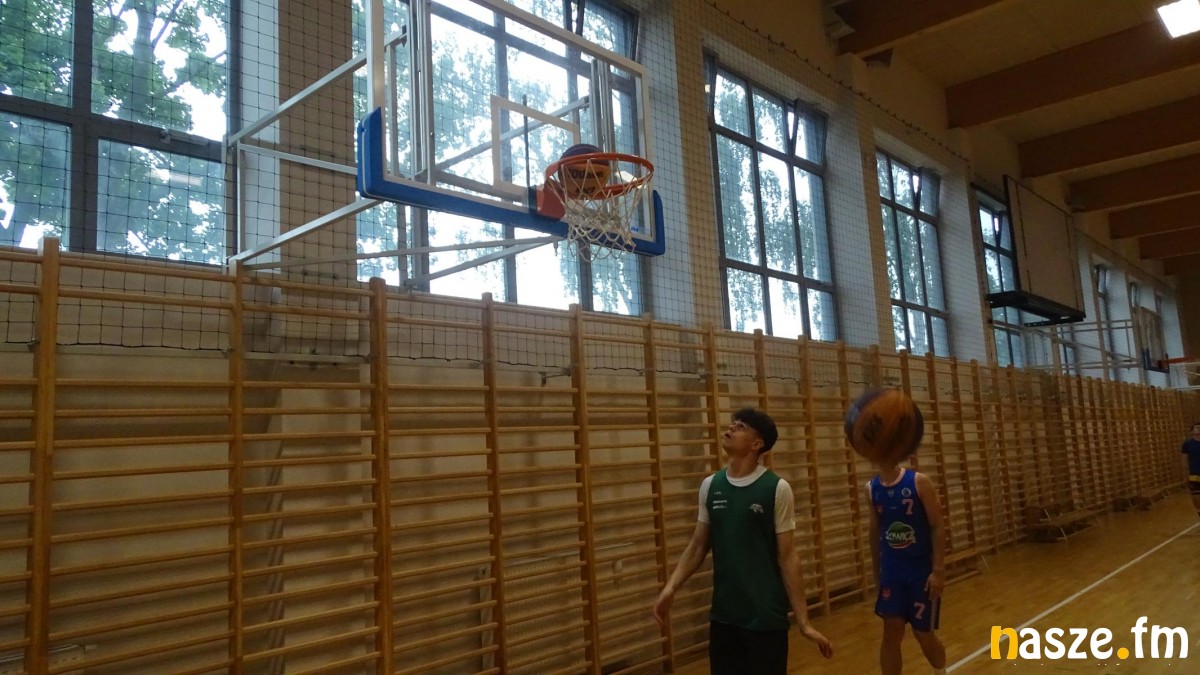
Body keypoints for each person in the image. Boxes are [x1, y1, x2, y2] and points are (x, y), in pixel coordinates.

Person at [652, 407, 833, 674]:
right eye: (732, 423)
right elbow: (698, 545)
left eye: (741, 427)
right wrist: (671, 587)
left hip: (765, 617)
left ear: (756, 444)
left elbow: (788, 557)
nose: (731, 428)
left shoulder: (776, 488)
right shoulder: (711, 486)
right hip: (724, 616)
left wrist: (804, 622)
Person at [865, 445, 947, 675]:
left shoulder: (919, 482)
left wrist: (938, 570)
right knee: (891, 631)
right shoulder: (871, 488)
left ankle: (941, 671)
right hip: (892, 571)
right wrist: (876, 571)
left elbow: (937, 526)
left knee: (923, 634)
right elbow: (874, 531)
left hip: (920, 571)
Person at [1181, 422, 1200, 525]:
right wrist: (1185, 476)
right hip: (1194, 475)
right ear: (1192, 431)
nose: (1199, 429)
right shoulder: (1187, 444)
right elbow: (1184, 460)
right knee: (1196, 500)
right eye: (1196, 428)